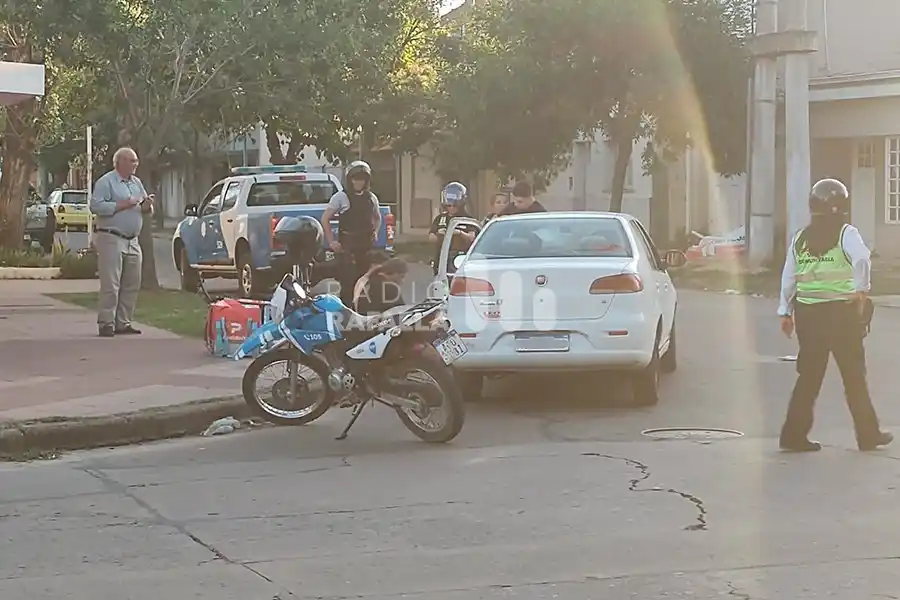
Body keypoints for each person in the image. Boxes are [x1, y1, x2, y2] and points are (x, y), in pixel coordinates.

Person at [777, 178, 892, 452]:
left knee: (809, 377)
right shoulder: (846, 233)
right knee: (853, 377)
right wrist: (862, 289)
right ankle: (868, 435)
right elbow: (862, 258)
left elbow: (789, 276)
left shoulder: (801, 238)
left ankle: (793, 436)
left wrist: (785, 311)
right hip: (841, 315)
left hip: (808, 314)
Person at [89, 147, 154, 338]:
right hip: (111, 237)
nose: (136, 164)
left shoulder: (136, 183)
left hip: (132, 240)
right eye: (132, 161)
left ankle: (123, 322)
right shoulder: (106, 182)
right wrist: (123, 204)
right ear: (120, 162)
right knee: (111, 283)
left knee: (131, 283)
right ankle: (106, 323)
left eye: (136, 161)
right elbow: (95, 206)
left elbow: (142, 206)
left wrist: (147, 206)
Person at [321, 160, 382, 306]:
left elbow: (378, 217)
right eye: (356, 178)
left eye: (362, 179)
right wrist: (332, 241)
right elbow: (325, 219)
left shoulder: (371, 198)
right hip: (347, 247)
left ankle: (362, 312)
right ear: (350, 180)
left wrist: (376, 232)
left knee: (365, 283)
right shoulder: (341, 197)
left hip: (366, 246)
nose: (359, 182)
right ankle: (346, 312)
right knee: (348, 284)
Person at [428, 182, 478, 275]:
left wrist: (459, 233)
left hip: (460, 259)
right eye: (449, 205)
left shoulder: (468, 219)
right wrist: (439, 235)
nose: (451, 208)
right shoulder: (440, 218)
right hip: (442, 259)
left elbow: (472, 238)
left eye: (455, 205)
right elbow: (431, 237)